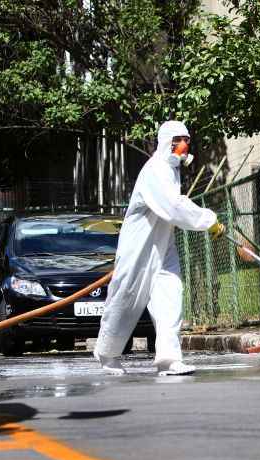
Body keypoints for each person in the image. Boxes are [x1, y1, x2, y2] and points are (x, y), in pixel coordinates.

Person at [93, 120, 224, 375]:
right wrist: (209, 220)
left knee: (171, 297)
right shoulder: (155, 170)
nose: (186, 144)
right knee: (126, 296)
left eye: (187, 139)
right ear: (168, 142)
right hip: (139, 247)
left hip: (163, 246)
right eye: (180, 140)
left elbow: (174, 207)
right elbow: (173, 206)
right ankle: (107, 352)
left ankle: (168, 358)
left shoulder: (171, 169)